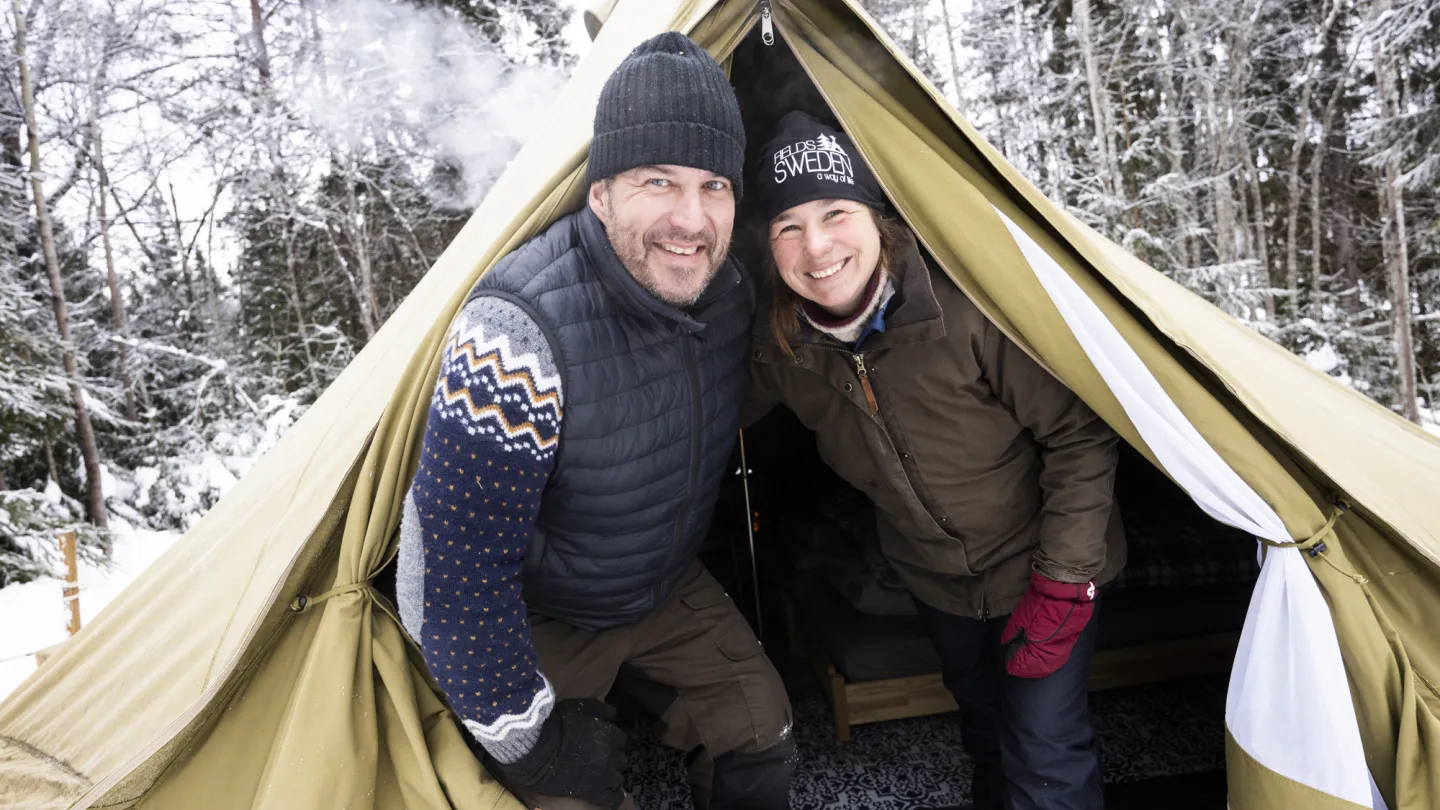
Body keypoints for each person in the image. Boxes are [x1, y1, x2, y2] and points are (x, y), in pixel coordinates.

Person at [396, 34, 793, 810]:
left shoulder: (732, 295)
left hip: (663, 585)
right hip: (545, 609)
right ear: (601, 193)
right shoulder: (516, 336)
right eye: (657, 180)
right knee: (568, 796)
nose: (691, 217)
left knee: (763, 730)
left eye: (714, 184)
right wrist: (533, 745)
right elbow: (444, 578)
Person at [744, 111, 1126, 810]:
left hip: (1041, 564)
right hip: (936, 580)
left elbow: (1079, 435)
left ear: (878, 217)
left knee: (1044, 745)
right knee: (982, 726)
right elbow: (704, 415)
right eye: (787, 227)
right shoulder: (784, 350)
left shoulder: (966, 308)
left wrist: (1064, 581)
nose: (816, 245)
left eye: (836, 213)